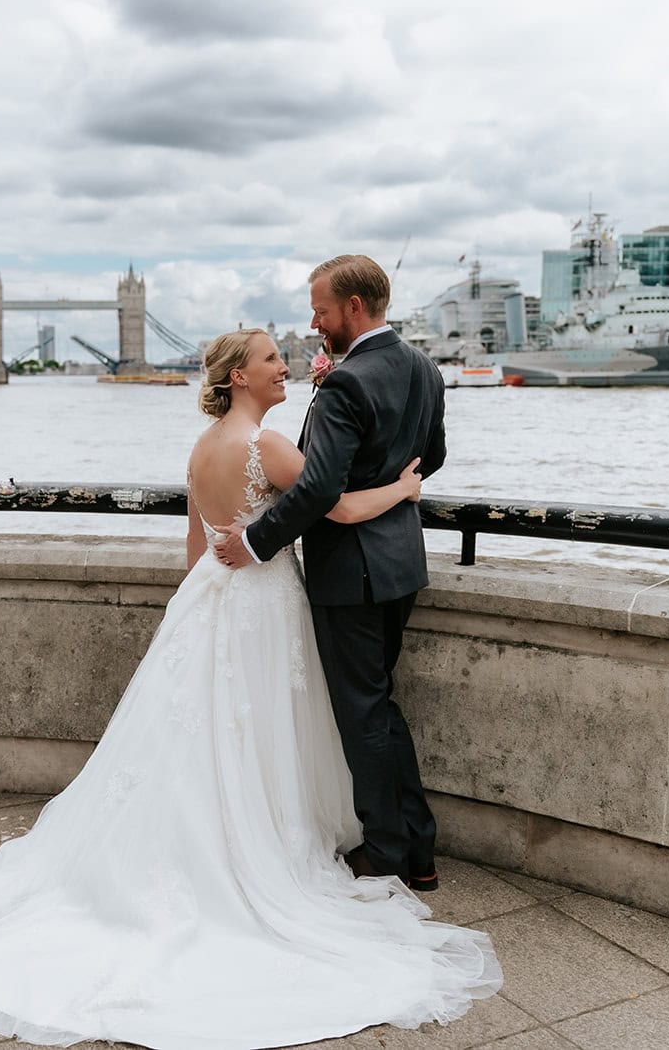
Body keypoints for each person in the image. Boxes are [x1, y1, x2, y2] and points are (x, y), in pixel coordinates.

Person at [0, 327, 499, 1047]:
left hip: (210, 601)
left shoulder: (200, 450)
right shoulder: (270, 448)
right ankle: (259, 845)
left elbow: (198, 549)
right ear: (238, 377)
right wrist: (405, 486)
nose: (283, 367)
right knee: (262, 730)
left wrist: (197, 609)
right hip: (265, 603)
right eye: (269, 360)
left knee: (198, 734)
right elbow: (344, 507)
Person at [213, 254, 447, 890]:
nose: (314, 323)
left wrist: (257, 543)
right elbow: (436, 457)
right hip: (401, 565)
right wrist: (395, 489)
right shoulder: (424, 368)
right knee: (380, 706)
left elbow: (318, 488)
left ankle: (388, 854)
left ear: (353, 307)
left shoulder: (347, 381)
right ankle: (419, 851)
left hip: (352, 574)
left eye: (320, 310)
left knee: (363, 715)